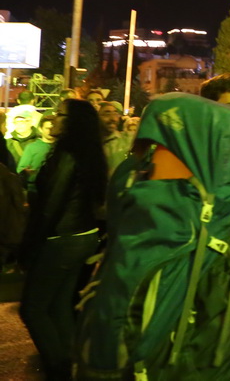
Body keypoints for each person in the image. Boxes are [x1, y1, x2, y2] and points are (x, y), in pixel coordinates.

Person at [19, 99, 107, 381]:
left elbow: (51, 207)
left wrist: (29, 247)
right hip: (83, 236)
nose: (52, 118)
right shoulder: (87, 154)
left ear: (73, 123)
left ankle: (59, 369)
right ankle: (75, 365)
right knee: (59, 306)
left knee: (32, 309)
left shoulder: (67, 156)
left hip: (62, 239)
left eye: (60, 114)